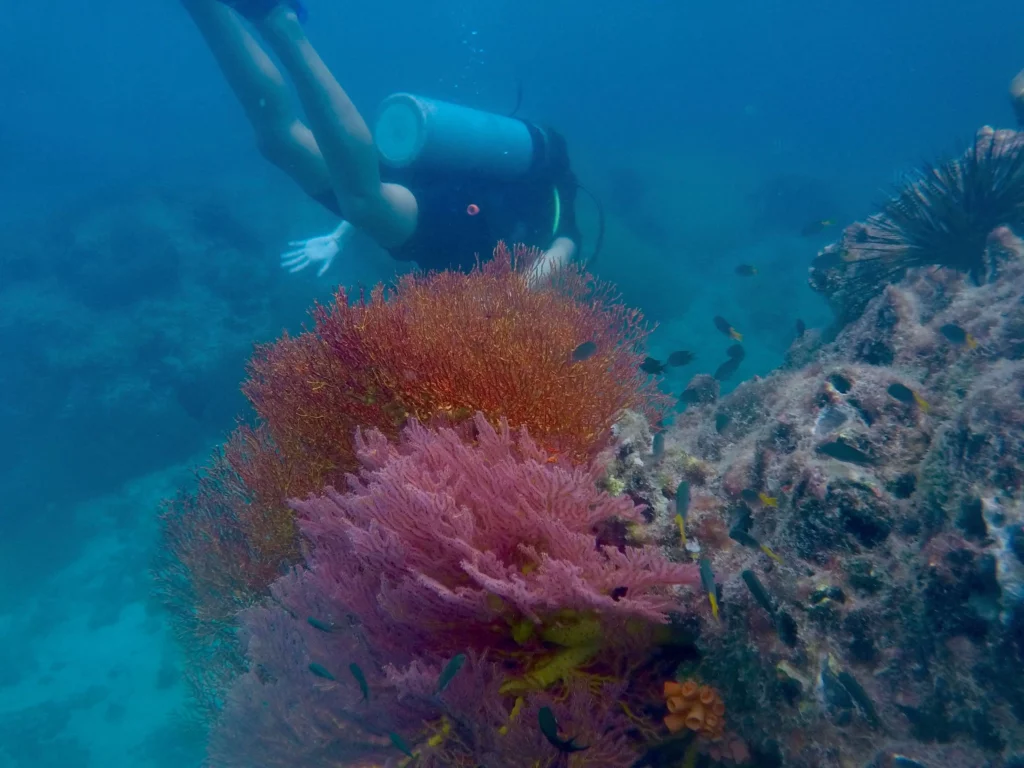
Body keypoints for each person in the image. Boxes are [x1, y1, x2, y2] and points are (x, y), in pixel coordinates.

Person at [181, 0, 582, 281]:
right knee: (361, 200)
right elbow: (554, 260)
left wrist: (338, 239)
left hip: (429, 187)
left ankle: (205, 7)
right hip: (457, 228)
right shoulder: (565, 214)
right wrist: (504, 311)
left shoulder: (524, 179)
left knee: (280, 142)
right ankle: (279, 21)